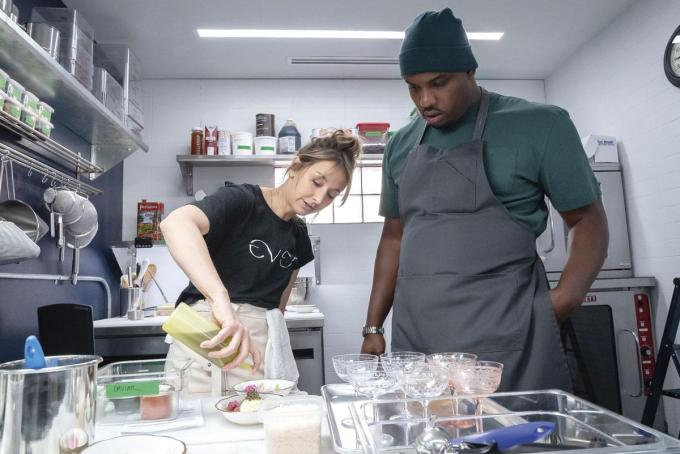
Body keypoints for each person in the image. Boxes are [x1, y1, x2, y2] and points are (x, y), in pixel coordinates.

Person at [360, 8, 609, 392]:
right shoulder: (400, 144)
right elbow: (394, 236)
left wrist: (562, 301)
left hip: (509, 338)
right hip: (419, 341)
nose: (425, 99)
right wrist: (374, 325)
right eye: (413, 87)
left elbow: (587, 220)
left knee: (516, 438)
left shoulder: (540, 125)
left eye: (438, 83)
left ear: (470, 71)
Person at [161, 130, 361, 394]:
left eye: (331, 195)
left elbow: (278, 308)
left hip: (256, 350)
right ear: (296, 165)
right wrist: (220, 300)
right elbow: (175, 223)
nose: (318, 199)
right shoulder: (243, 200)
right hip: (207, 333)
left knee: (256, 424)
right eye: (317, 182)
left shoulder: (299, 237)